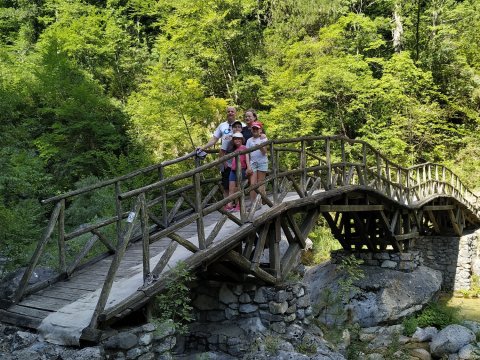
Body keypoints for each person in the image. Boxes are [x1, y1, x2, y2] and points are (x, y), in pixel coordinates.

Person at [197, 106, 238, 198]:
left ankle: (237, 204)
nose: (230, 113)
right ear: (226, 113)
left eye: (232, 111)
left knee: (237, 182)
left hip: (237, 157)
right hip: (225, 158)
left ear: (236, 113)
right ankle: (227, 203)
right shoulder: (222, 125)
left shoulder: (240, 125)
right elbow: (214, 139)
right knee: (226, 182)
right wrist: (203, 147)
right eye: (228, 111)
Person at [226, 133, 252, 212]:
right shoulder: (234, 149)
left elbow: (247, 157)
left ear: (242, 140)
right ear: (233, 140)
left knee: (239, 188)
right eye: (235, 139)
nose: (237, 140)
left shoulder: (244, 148)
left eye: (239, 139)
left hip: (241, 170)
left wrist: (249, 167)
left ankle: (239, 205)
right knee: (231, 188)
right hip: (233, 170)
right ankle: (229, 205)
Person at [246, 121, 268, 208]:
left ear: (260, 130)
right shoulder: (249, 140)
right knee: (252, 184)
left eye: (257, 128)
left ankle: (259, 202)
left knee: (260, 183)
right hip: (253, 163)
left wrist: (261, 146)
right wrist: (248, 166)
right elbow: (246, 153)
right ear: (251, 130)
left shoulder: (263, 139)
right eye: (253, 128)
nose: (255, 130)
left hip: (262, 162)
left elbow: (264, 152)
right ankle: (253, 202)